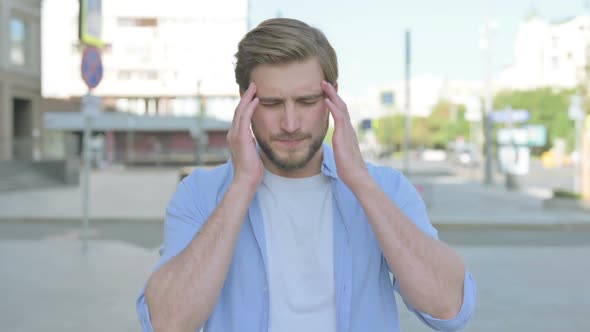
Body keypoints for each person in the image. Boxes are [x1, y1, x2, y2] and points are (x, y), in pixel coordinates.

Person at [137, 18, 476, 332]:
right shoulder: (200, 194)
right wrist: (241, 185)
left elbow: (449, 308)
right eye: (271, 104)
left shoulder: (386, 188)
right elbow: (167, 322)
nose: (290, 124)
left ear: (333, 98)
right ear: (244, 103)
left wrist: (359, 180)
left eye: (307, 101)